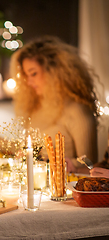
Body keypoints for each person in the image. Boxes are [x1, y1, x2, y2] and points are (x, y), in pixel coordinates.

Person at [10, 36, 100, 173]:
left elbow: (91, 164)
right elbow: (31, 152)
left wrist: (67, 163)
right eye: (26, 76)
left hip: (64, 187)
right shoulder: (36, 106)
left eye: (33, 74)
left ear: (54, 71)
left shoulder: (77, 109)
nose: (29, 82)